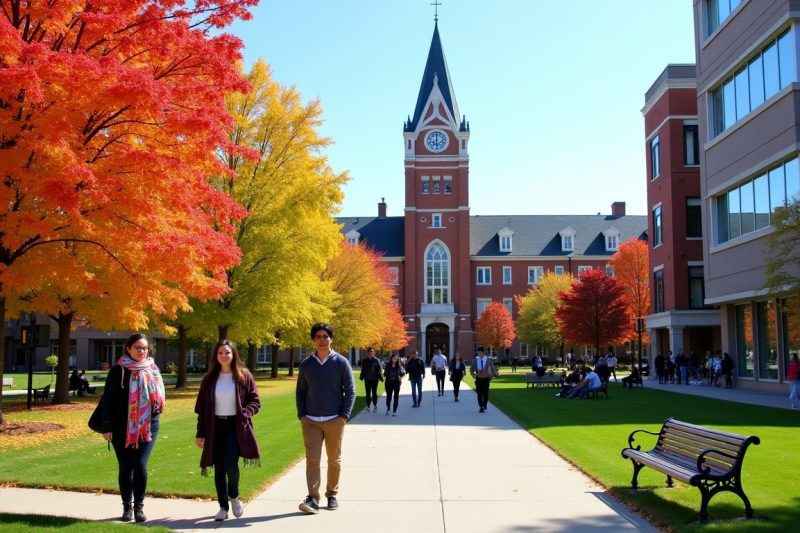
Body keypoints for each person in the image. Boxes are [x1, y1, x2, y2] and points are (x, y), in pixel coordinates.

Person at [100, 333, 166, 523]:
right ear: (128, 348)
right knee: (125, 466)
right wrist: (107, 427)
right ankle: (126, 507)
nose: (141, 351)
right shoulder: (118, 371)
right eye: (137, 347)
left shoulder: (153, 370)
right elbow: (108, 401)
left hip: (148, 427)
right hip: (122, 428)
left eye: (144, 348)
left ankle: (139, 507)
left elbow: (159, 399)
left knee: (140, 464)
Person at [195, 340, 261, 521]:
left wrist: (245, 413)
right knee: (218, 469)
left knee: (231, 466)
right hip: (215, 427)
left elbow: (255, 401)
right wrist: (200, 433)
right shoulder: (209, 379)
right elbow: (201, 409)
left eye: (227, 353)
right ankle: (223, 507)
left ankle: (234, 497)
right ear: (216, 356)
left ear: (234, 355)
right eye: (220, 353)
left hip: (235, 426)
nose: (224, 356)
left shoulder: (244, 376)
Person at [296, 323, 355, 514]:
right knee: (312, 460)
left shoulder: (341, 362)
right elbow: (300, 393)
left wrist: (343, 416)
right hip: (310, 421)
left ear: (331, 339)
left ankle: (332, 495)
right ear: (313, 340)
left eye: (325, 336)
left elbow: (351, 392)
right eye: (318, 336)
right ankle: (312, 497)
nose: (322, 340)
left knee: (334, 460)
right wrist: (302, 415)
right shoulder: (306, 364)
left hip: (334, 420)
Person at [470, 348, 495, 413]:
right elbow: (471, 370)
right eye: (478, 353)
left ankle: (485, 404)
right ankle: (481, 407)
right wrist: (474, 376)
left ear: (483, 353)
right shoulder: (475, 360)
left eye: (480, 352)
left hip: (486, 379)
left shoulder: (488, 360)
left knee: (486, 393)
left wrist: (490, 376)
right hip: (478, 379)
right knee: (479, 393)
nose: (479, 354)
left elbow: (493, 370)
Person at [359, 348, 383, 413]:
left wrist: (381, 377)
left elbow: (380, 370)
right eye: (370, 352)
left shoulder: (376, 360)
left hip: (375, 379)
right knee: (368, 393)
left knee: (374, 393)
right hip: (367, 379)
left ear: (374, 353)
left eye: (372, 352)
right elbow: (363, 370)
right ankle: (368, 406)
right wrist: (361, 376)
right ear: (368, 353)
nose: (371, 353)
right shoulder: (364, 361)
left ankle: (375, 406)